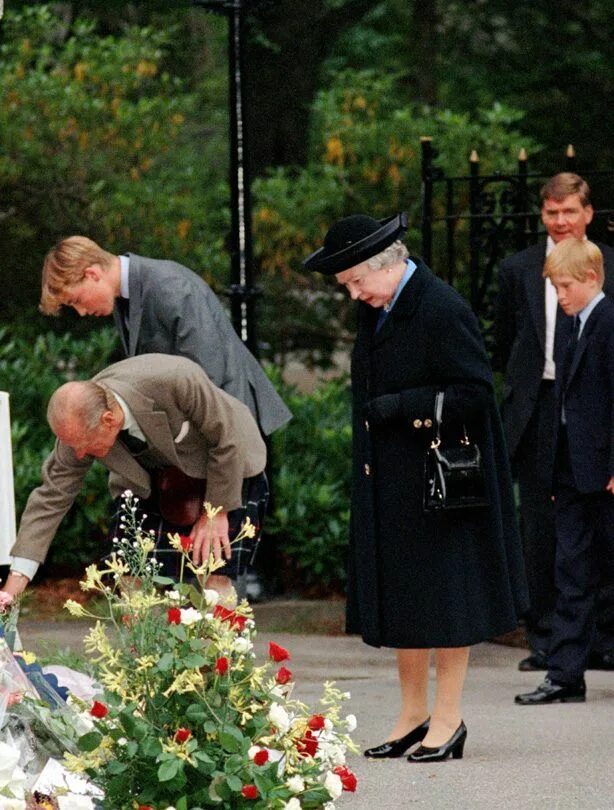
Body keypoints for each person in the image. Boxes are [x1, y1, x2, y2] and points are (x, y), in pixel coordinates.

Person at [304, 213, 528, 762]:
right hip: (394, 480)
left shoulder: (441, 306)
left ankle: (448, 719)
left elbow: (476, 393)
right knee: (405, 596)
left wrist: (404, 409)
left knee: (448, 599)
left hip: (441, 480)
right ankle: (413, 714)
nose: (355, 294)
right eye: (348, 286)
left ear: (388, 264)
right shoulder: (378, 304)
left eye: (357, 281)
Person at [0, 355, 267, 602]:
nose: (79, 455)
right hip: (149, 478)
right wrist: (13, 587)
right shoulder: (78, 427)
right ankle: (141, 651)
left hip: (225, 464)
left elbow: (228, 439)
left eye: (84, 445)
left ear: (108, 419)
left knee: (214, 568)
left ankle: (221, 651)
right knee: (127, 569)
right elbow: (51, 496)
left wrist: (215, 512)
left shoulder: (176, 379)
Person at [495, 173, 614, 672]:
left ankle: (602, 639)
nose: (561, 221)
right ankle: (546, 638)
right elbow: (503, 343)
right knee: (543, 529)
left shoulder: (609, 266)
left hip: (595, 401)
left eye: (569, 211)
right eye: (551, 212)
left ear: (588, 213)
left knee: (598, 529)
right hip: (540, 405)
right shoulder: (518, 268)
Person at [39, 236, 292, 437]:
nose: (81, 312)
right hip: (211, 428)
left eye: (76, 300)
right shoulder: (125, 296)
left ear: (93, 274)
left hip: (230, 429)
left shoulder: (169, 286)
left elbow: (209, 371)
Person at [515, 239, 614, 705]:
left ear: (592, 279)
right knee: (570, 571)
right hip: (574, 472)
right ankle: (565, 675)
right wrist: (555, 471)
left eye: (565, 285)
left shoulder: (609, 323)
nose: (560, 295)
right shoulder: (574, 326)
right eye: (555, 287)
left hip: (605, 471)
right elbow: (562, 406)